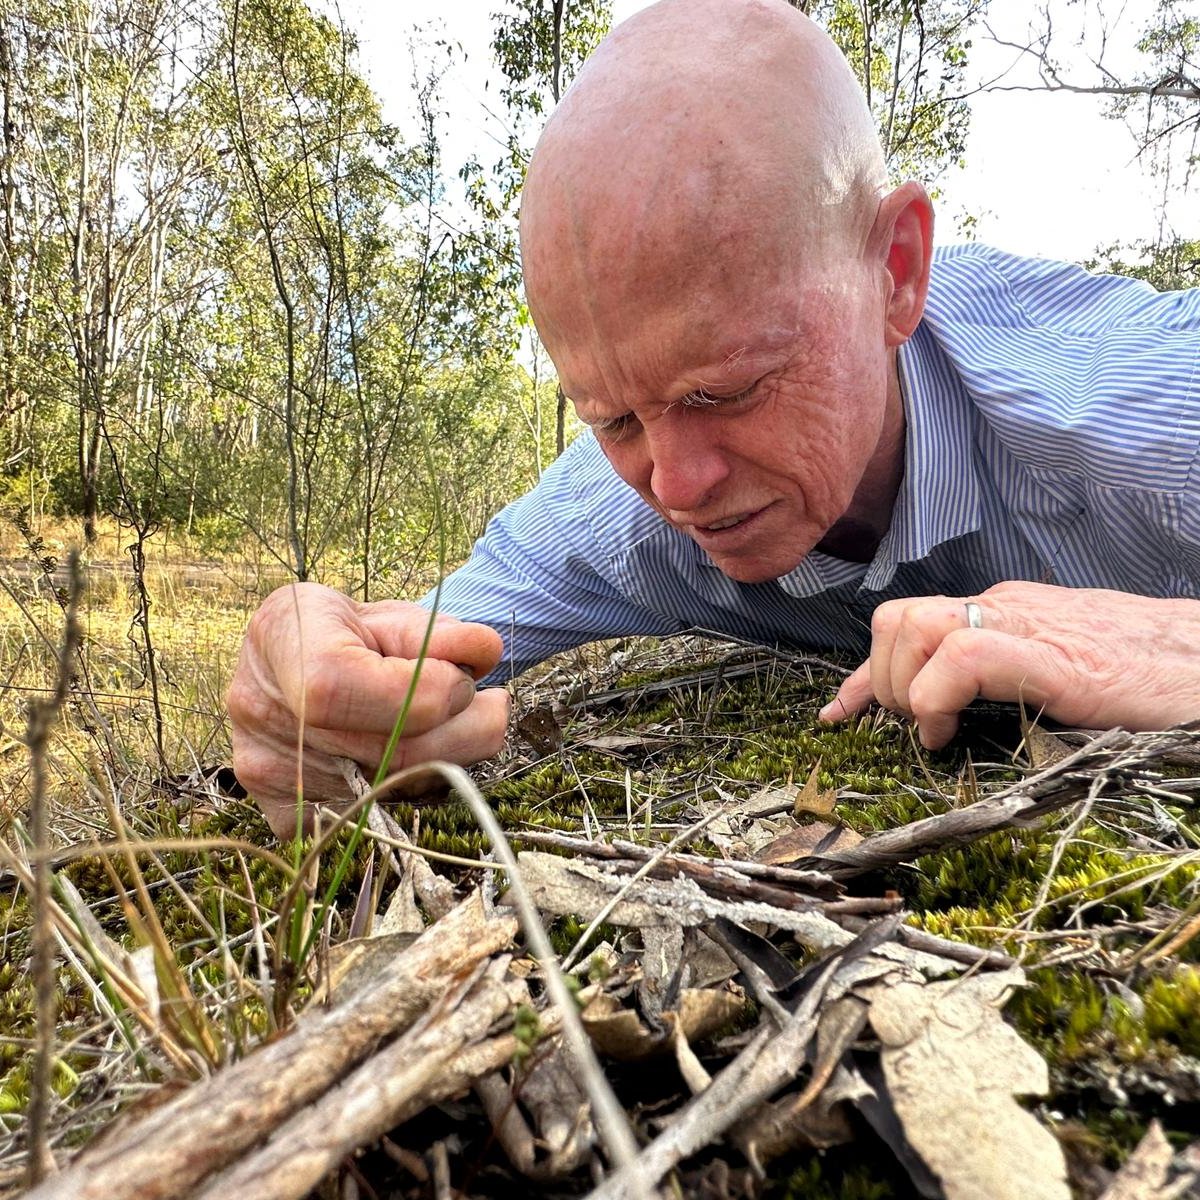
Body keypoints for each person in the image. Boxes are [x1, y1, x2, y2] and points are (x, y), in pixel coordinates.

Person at [228, 0, 1200, 838]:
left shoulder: (1152, 407)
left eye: (724, 391)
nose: (674, 486)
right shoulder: (618, 515)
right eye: (611, 420)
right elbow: (399, 652)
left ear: (893, 273)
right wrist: (303, 682)